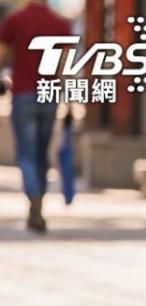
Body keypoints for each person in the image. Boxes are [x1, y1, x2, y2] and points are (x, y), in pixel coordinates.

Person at [0, 0, 73, 233]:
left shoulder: (15, 21)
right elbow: (66, 66)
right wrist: (70, 102)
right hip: (49, 96)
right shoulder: (59, 23)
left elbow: (1, 52)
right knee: (42, 154)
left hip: (23, 95)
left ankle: (34, 202)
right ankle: (38, 204)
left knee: (26, 155)